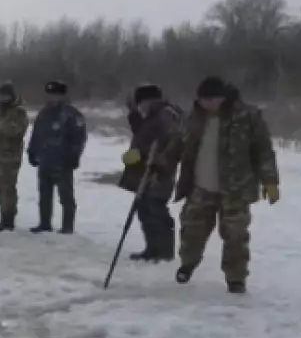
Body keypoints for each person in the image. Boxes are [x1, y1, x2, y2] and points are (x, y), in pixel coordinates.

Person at [168, 77, 280, 293]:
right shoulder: (195, 117)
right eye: (202, 100)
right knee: (192, 230)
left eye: (210, 100)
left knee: (235, 236)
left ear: (222, 97)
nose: (206, 104)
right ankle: (188, 263)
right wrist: (161, 162)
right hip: (200, 186)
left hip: (235, 189)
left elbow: (263, 151)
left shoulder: (247, 116)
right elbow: (178, 144)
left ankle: (236, 278)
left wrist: (270, 181)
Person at [119, 83, 184, 261]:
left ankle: (164, 252)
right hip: (146, 169)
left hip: (159, 171)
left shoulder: (166, 114)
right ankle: (152, 248)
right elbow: (144, 133)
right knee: (144, 208)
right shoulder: (153, 115)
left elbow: (173, 140)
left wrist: (147, 156)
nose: (141, 108)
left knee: (155, 209)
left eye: (140, 104)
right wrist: (133, 114)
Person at [27, 80, 87, 234]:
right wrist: (32, 152)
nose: (52, 98)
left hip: (62, 160)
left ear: (62, 96)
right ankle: (44, 223)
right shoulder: (43, 113)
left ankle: (67, 226)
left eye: (55, 95)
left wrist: (74, 156)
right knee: (44, 194)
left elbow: (79, 138)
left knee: (65, 195)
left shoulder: (71, 114)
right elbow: (36, 135)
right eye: (50, 94)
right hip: (45, 160)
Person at [0, 81, 30, 233]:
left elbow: (15, 131)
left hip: (10, 157)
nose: (3, 98)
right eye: (1, 95)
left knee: (8, 189)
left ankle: (8, 220)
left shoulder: (19, 111)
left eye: (5, 95)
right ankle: (2, 217)